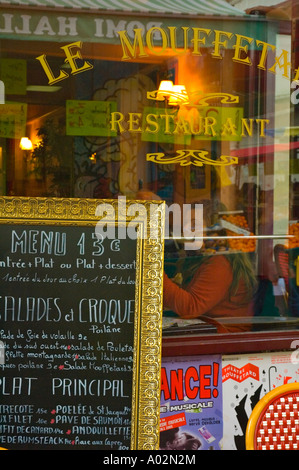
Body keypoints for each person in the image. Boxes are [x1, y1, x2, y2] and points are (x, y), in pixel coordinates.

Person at [163, 200, 257, 330]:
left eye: (194, 225)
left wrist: (154, 271)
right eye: (185, 224)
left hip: (222, 341)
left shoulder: (220, 262)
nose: (186, 230)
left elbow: (191, 308)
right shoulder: (205, 258)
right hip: (209, 334)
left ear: (215, 231)